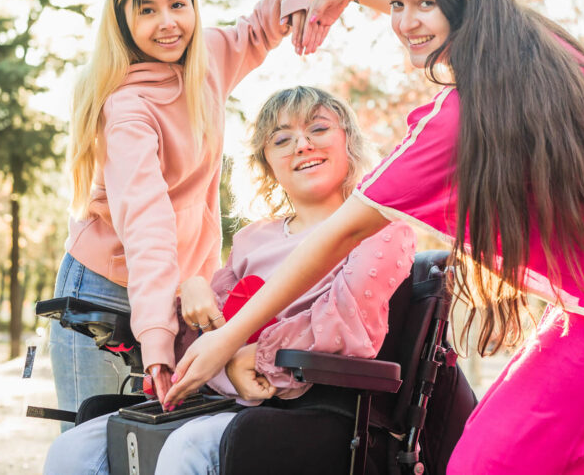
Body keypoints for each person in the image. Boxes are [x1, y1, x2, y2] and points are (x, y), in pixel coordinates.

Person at [164, 0, 584, 474]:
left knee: (489, 463)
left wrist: (226, 339)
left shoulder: (457, 122)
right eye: (399, 3)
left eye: (424, 5)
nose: (406, 21)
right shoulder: (542, 50)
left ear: (462, 2)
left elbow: (339, 235)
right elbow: (444, 3)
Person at [44, 86, 416, 475]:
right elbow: (203, 333)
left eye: (318, 129)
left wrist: (255, 357)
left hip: (312, 407)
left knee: (186, 447)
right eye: (282, 139)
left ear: (349, 142)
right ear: (267, 163)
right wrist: (191, 288)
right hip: (227, 397)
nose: (302, 145)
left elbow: (345, 325)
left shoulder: (382, 230)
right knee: (72, 448)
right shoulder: (253, 238)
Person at [49, 0, 314, 425]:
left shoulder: (206, 59)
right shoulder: (128, 108)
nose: (167, 23)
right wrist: (156, 338)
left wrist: (294, 1)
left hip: (180, 289)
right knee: (95, 438)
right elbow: (147, 222)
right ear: (122, 21)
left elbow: (255, 30)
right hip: (107, 289)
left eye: (178, 4)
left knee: (160, 441)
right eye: (146, 10)